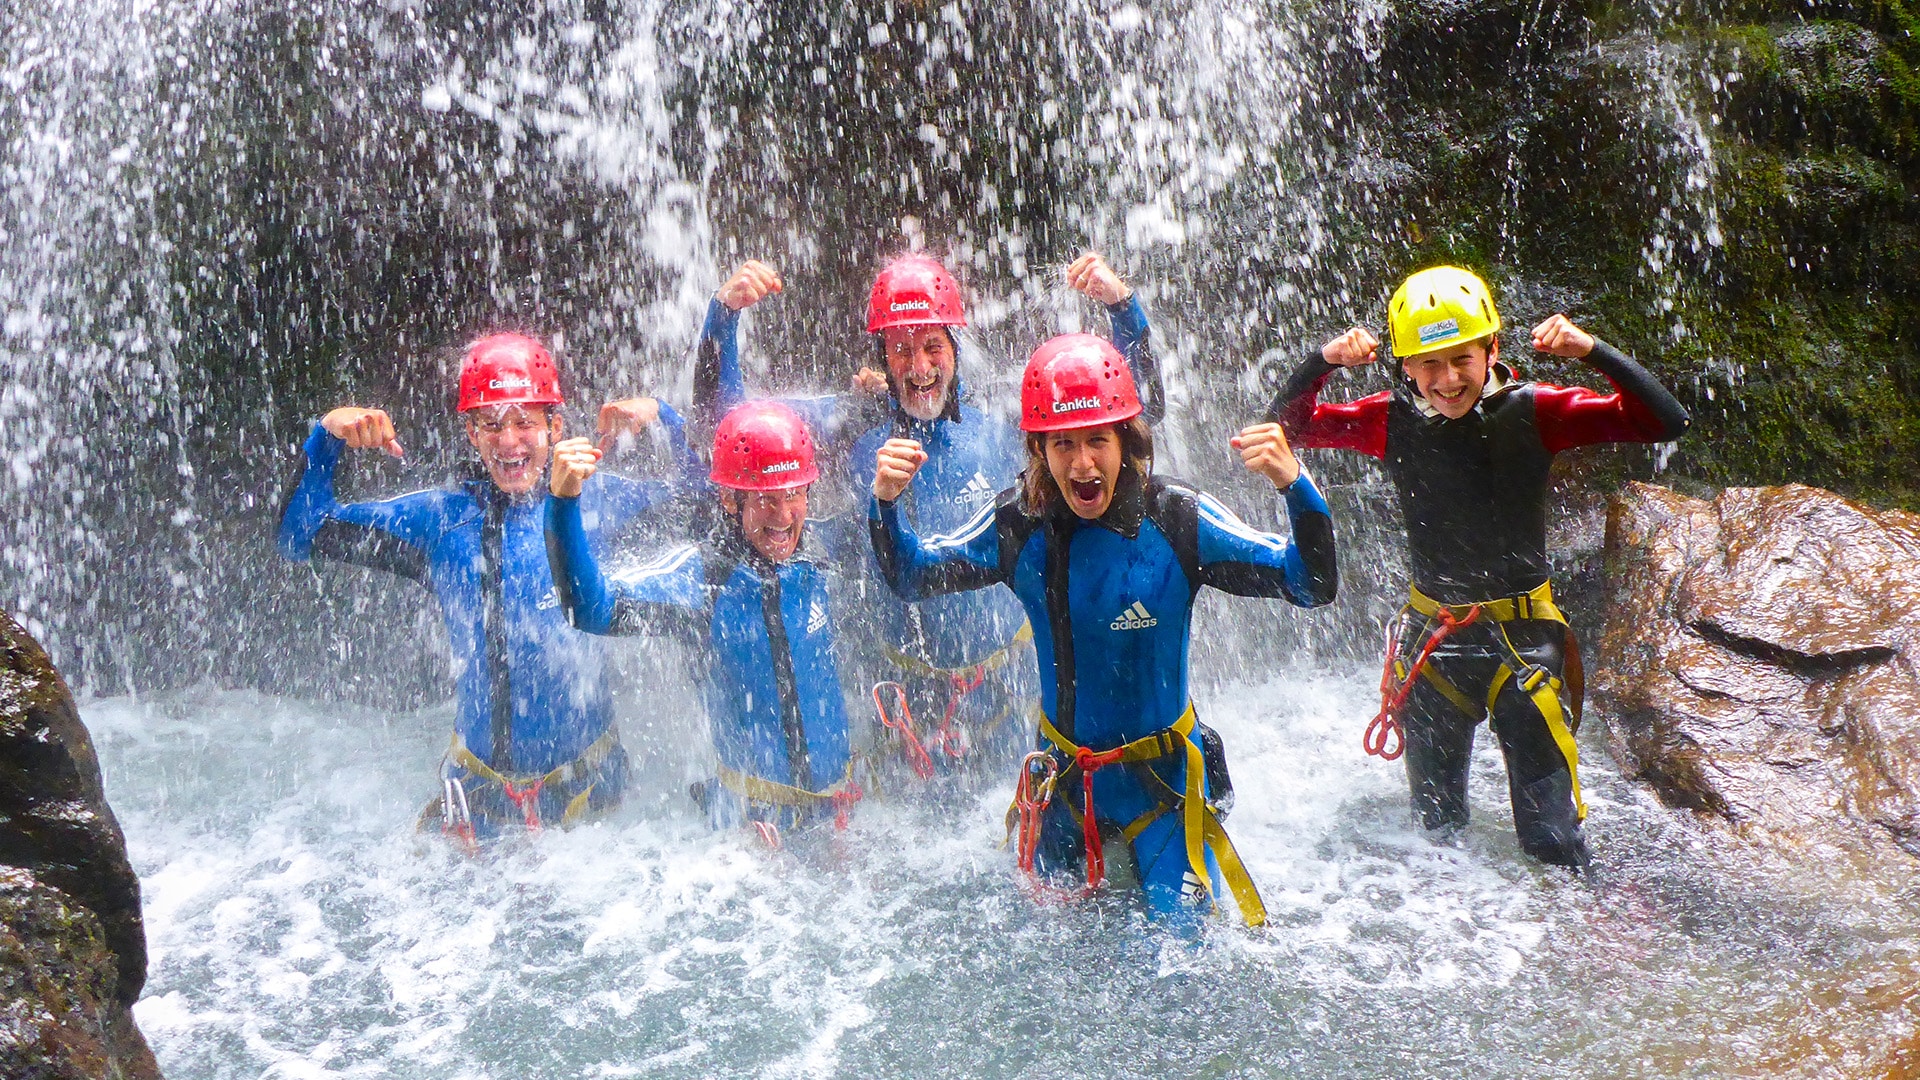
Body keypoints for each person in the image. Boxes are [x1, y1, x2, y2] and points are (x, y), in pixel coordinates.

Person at [868, 334, 1338, 926]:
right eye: (1063, 444)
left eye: (1097, 441)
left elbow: (1311, 583)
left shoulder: (1179, 521)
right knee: (1042, 978)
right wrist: (885, 502)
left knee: (1187, 970)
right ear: (1040, 450)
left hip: (1163, 790)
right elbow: (912, 576)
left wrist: (1295, 486)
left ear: (1127, 441)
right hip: (1063, 790)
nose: (1083, 463)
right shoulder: (1018, 526)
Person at [1266, 265, 1690, 870]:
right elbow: (1283, 428)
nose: (1446, 380)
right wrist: (1323, 361)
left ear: (1492, 350)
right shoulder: (1391, 420)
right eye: (1428, 365)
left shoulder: (1537, 410)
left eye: (1462, 359)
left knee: (1556, 849)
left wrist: (1592, 350)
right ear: (1405, 367)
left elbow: (1664, 421)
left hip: (1523, 648)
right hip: (1433, 645)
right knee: (1433, 840)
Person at [695, 252, 1164, 776]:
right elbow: (731, 431)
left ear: (955, 348)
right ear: (882, 355)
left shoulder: (1005, 423)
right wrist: (723, 314)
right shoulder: (851, 428)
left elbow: (1135, 406)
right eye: (901, 350)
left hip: (1009, 692)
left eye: (932, 346)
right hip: (904, 706)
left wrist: (1124, 308)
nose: (920, 367)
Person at [278, 332, 694, 842]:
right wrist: (327, 438)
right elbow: (300, 535)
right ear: (470, 434)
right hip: (480, 803)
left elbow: (710, 503)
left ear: (555, 426)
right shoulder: (441, 521)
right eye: (490, 424)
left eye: (525, 421)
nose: (509, 440)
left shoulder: (600, 502)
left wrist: (663, 418)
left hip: (593, 794)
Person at [546, 401, 861, 843]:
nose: (784, 515)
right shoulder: (702, 583)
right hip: (753, 833)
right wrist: (563, 504)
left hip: (839, 810)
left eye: (794, 494)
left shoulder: (822, 553)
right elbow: (588, 609)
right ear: (732, 500)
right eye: (766, 498)